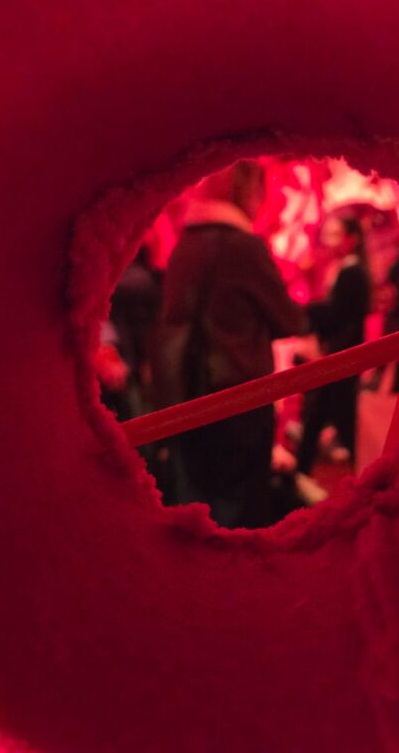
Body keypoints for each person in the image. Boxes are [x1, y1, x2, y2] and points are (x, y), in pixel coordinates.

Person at [154, 161, 307, 528]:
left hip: (185, 396)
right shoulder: (244, 246)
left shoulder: (185, 245)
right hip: (239, 396)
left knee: (194, 508)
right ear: (247, 191)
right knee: (241, 512)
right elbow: (290, 321)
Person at [295, 215, 372, 504]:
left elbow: (338, 315)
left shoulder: (352, 272)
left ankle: (365, 483)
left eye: (336, 234)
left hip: (341, 358)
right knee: (323, 417)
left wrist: (305, 315)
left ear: (351, 238)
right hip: (340, 357)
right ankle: (301, 474)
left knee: (333, 418)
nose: (330, 241)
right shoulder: (348, 269)